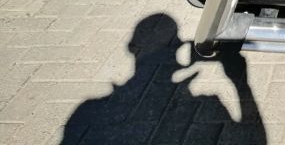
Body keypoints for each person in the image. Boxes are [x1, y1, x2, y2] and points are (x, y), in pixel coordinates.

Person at [60, 14, 266, 145]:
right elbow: (256, 139)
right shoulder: (208, 103)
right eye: (177, 42)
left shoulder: (89, 111)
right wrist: (241, 84)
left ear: (131, 47)